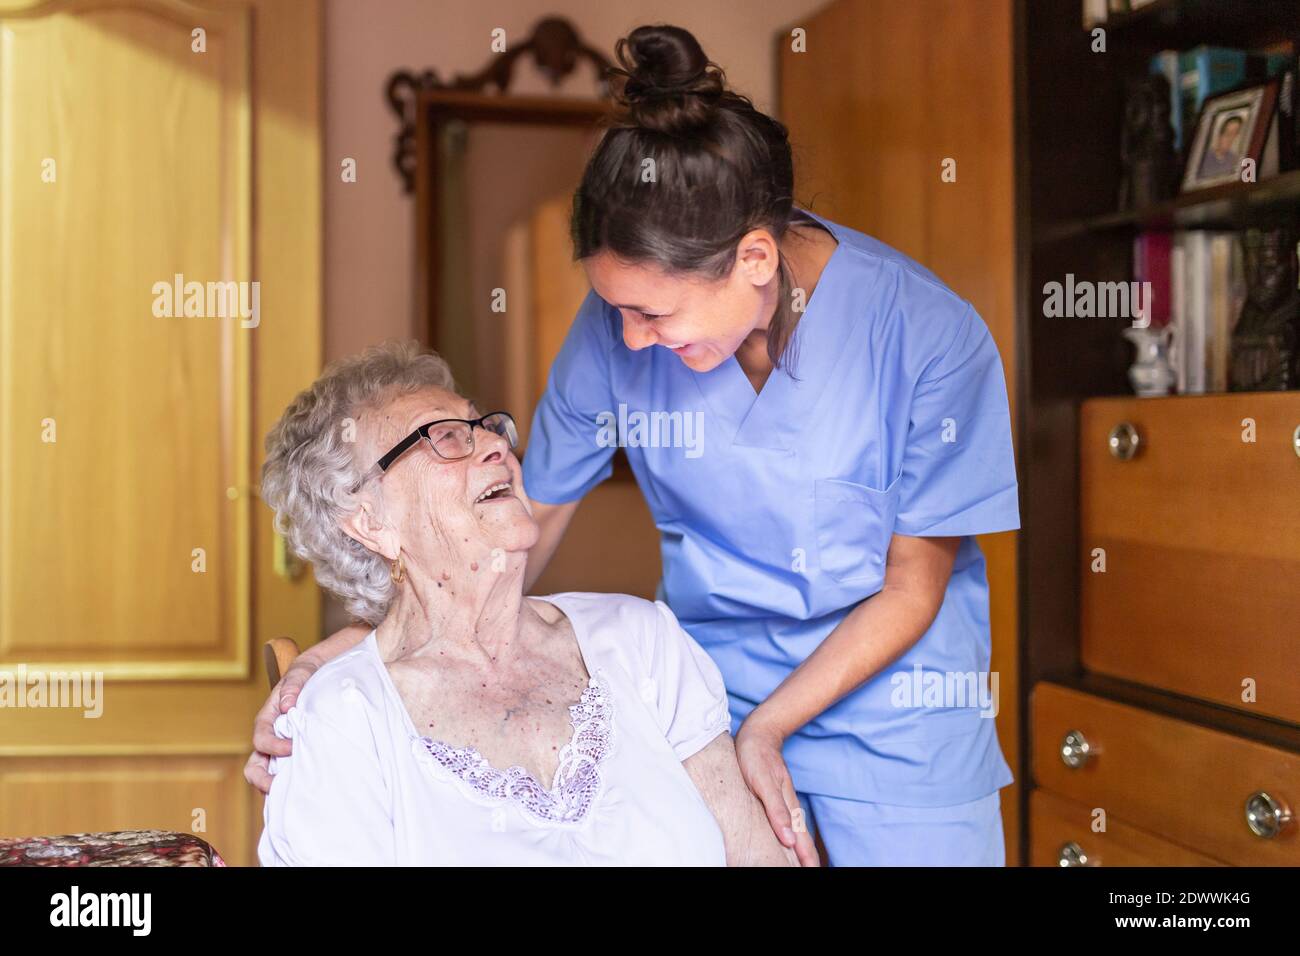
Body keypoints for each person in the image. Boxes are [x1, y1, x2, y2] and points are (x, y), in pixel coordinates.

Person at [254, 342, 796, 865]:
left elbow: (755, 855)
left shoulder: (640, 639)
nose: (496, 446)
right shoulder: (344, 719)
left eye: (486, 426)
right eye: (444, 438)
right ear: (371, 522)